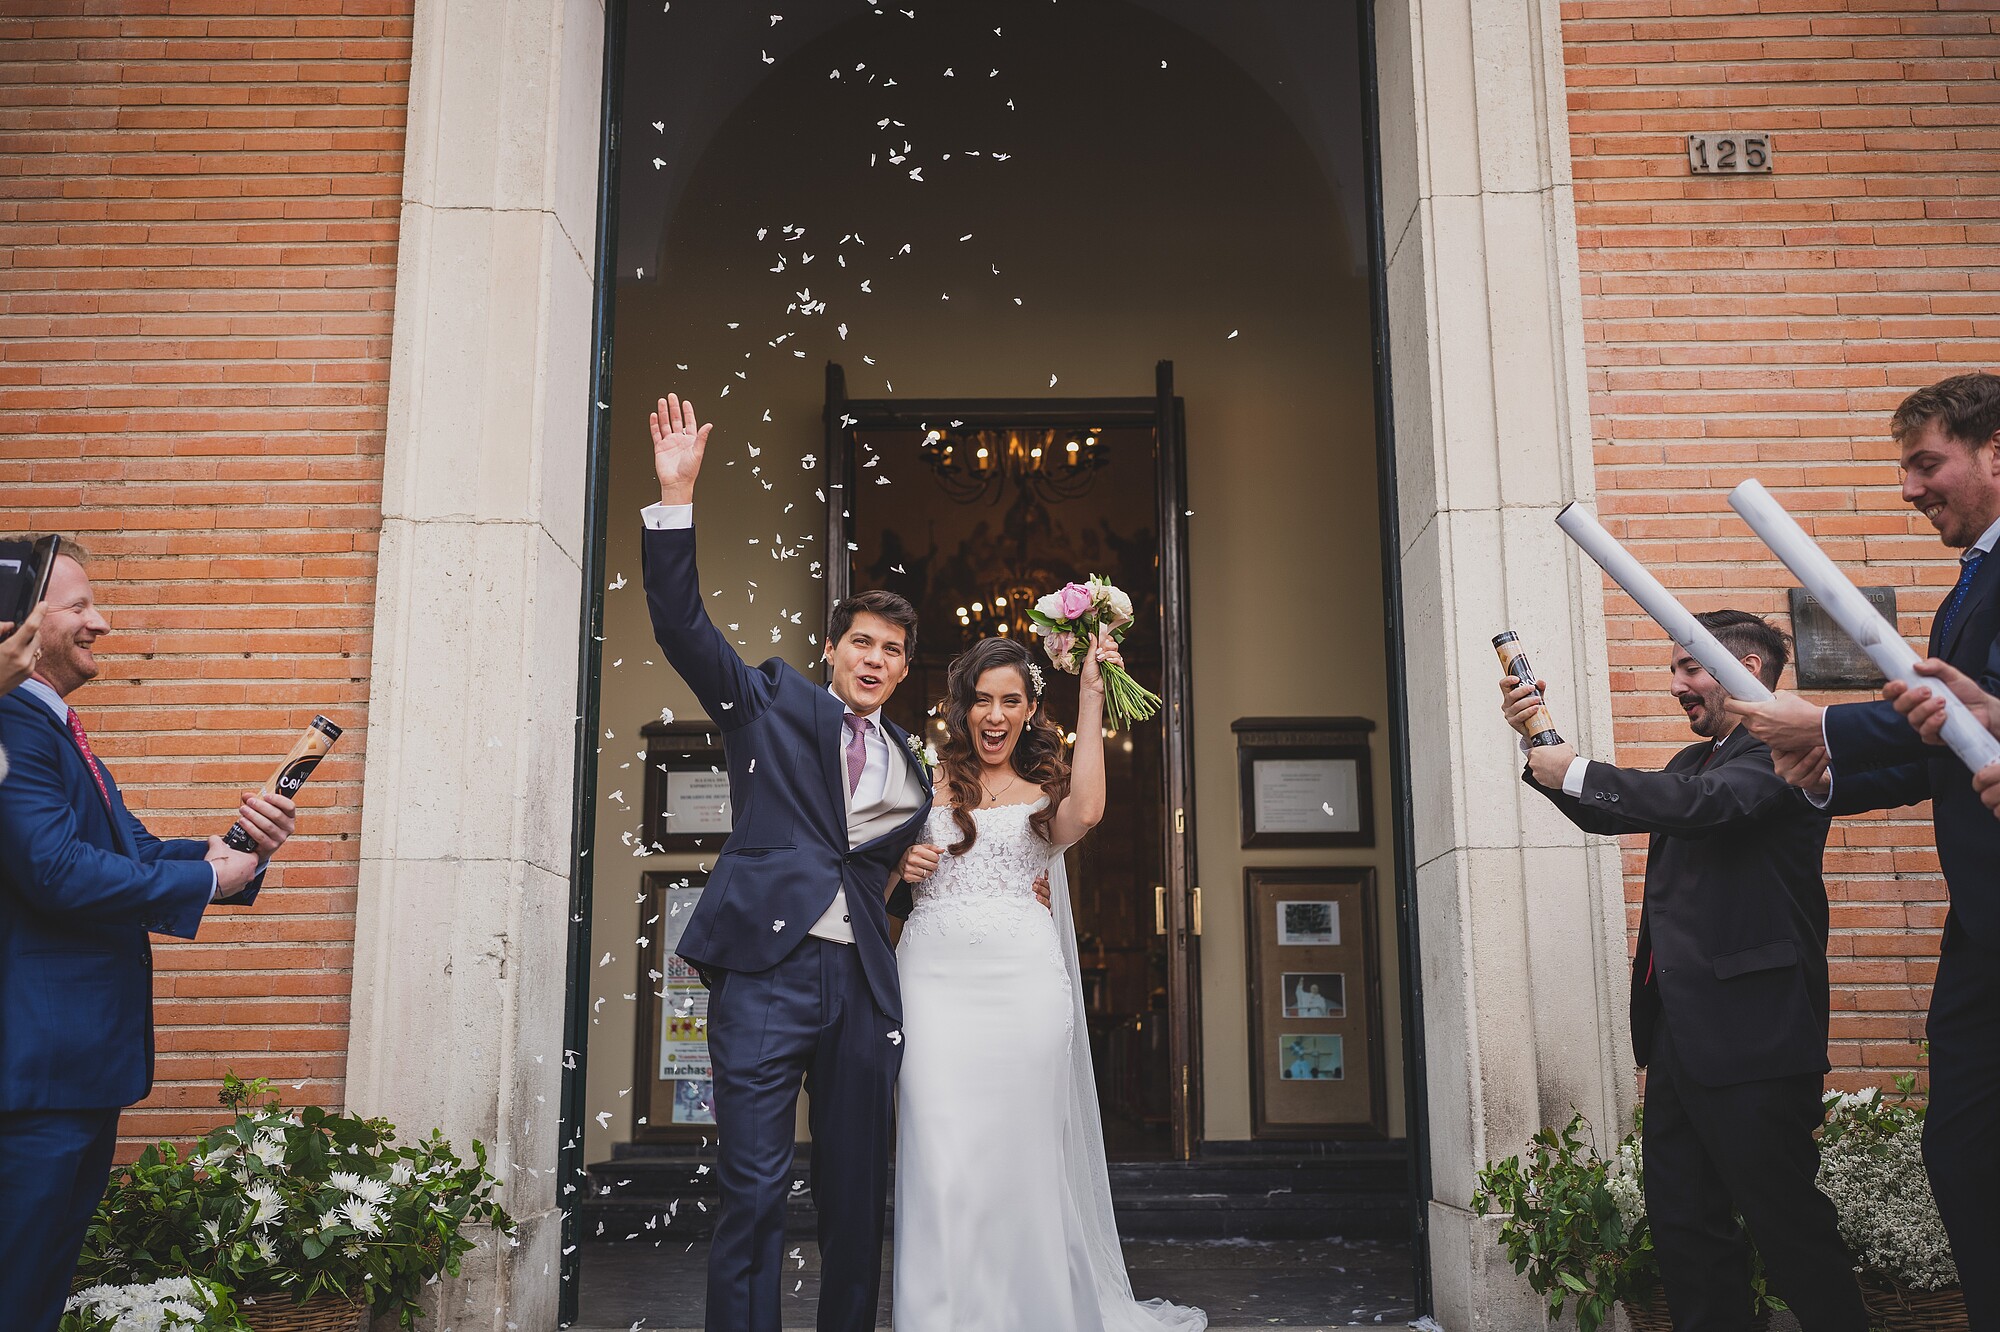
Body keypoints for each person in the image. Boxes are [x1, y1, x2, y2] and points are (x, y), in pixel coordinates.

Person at [642, 395, 937, 1332]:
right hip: (766, 977)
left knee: (858, 1205)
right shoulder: (771, 701)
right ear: (832, 650)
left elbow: (879, 864)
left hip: (860, 985)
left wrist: (914, 873)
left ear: (902, 670)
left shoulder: (912, 767)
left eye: (892, 652)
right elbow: (684, 628)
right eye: (862, 643)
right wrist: (676, 496)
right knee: (755, 1190)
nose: (875, 659)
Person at [1501, 611, 1865, 1332]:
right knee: (1686, 1230)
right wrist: (1539, 745)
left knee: (1786, 1224)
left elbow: (1706, 808)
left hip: (1757, 1039)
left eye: (1688, 670)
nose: (1676, 687)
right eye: (1674, 672)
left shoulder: (1777, 755)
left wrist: (1573, 766)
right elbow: (1610, 813)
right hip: (1678, 1039)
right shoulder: (1688, 764)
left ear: (1747, 670)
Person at [1724, 372, 2000, 1316]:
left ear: (1996, 451)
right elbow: (1952, 746)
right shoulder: (1977, 580)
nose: (1909, 489)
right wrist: (1832, 776)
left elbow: (1968, 718)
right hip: (1983, 928)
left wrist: (1826, 728)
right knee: (1965, 1150)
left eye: (1928, 464)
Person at [0, 541, 297, 1332]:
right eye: (81, 606)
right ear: (18, 624)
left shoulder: (57, 729)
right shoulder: (12, 724)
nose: (102, 621)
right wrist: (209, 878)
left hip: (73, 1077)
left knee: (35, 1293)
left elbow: (128, 852)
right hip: (35, 1081)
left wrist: (238, 849)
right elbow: (56, 871)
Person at [891, 633, 1206, 1332]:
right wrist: (900, 866)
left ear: (1033, 708)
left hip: (1024, 987)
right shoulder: (921, 778)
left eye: (1011, 700)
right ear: (962, 708)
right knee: (938, 1149)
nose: (995, 715)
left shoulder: (1047, 789)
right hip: (933, 984)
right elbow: (872, 870)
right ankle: (938, 1316)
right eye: (981, 701)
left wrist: (1091, 696)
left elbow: (1088, 814)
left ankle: (1031, 1315)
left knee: (1022, 1154)